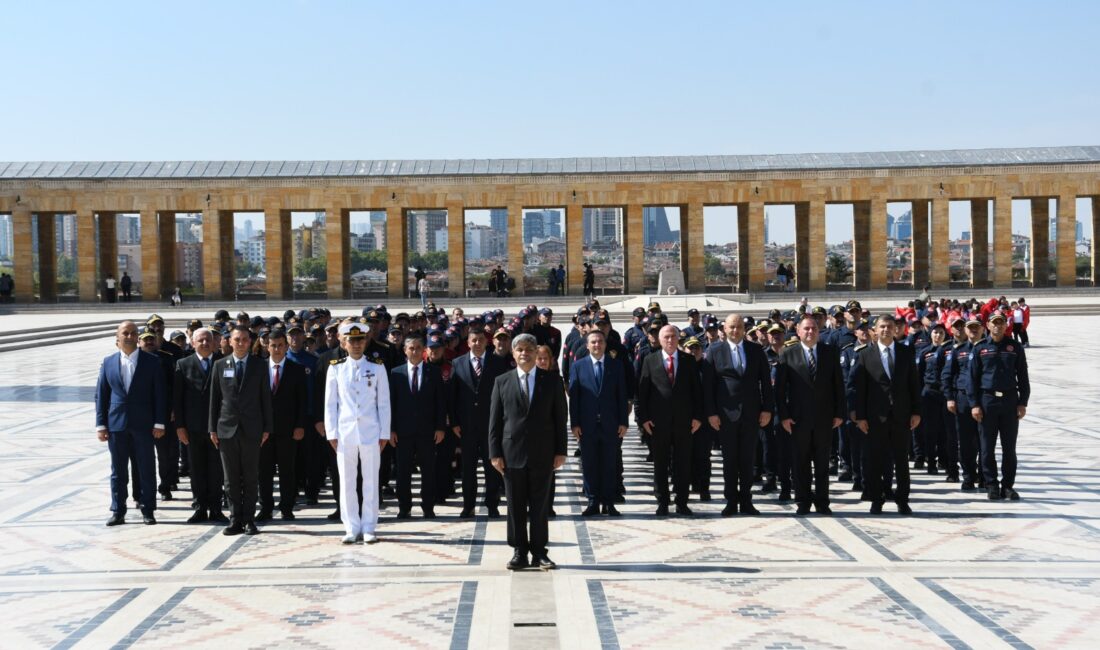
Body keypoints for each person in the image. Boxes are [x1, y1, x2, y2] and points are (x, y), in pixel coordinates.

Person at [489, 333, 568, 571]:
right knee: (515, 505)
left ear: (537, 354)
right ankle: (518, 550)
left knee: (540, 505)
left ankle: (539, 552)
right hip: (511, 453)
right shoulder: (502, 381)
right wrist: (495, 453)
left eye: (529, 349)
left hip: (543, 453)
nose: (525, 353)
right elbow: (495, 421)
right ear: (513, 354)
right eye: (520, 349)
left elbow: (559, 418)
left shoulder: (552, 381)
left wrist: (560, 451)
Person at [96, 321, 168, 526]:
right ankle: (118, 509)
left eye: (133, 333)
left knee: (146, 468)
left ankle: (148, 509)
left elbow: (159, 395)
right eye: (125, 333)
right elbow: (101, 395)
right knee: (118, 471)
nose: (129, 336)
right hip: (116, 425)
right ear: (117, 338)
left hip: (144, 424)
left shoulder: (151, 361)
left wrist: (160, 423)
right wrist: (100, 425)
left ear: (138, 337)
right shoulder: (108, 362)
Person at [326, 322, 391, 543]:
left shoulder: (377, 367)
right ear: (344, 343)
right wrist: (331, 432)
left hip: (371, 431)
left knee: (371, 480)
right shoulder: (335, 367)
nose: (356, 345)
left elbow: (383, 403)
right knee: (347, 481)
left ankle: (370, 526)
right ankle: (351, 527)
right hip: (345, 433)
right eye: (352, 341)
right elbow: (330, 404)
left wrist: (384, 432)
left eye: (360, 340)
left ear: (365, 342)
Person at [851, 315, 922, 514]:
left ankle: (902, 499)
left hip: (901, 415)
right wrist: (861, 417)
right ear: (875, 330)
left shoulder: (906, 352)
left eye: (890, 326)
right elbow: (860, 389)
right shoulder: (865, 354)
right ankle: (877, 498)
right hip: (875, 417)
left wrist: (916, 411)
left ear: (896, 329)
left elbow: (913, 384)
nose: (886, 330)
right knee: (876, 460)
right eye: (882, 326)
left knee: (901, 460)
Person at [705, 314, 775, 516]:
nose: (735, 331)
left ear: (744, 329)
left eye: (739, 327)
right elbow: (708, 386)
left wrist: (767, 409)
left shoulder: (755, 350)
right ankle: (730, 500)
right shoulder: (714, 350)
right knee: (729, 460)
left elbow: (765, 383)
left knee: (747, 459)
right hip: (725, 415)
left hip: (751, 414)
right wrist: (711, 413)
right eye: (731, 327)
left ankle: (746, 499)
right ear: (724, 329)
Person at [775, 314, 845, 515]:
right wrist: (784, 416)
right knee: (801, 463)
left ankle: (822, 502)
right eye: (805, 328)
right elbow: (780, 391)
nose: (810, 332)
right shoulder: (787, 353)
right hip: (798, 419)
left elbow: (838, 385)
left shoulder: (830, 352)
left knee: (822, 462)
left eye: (813, 328)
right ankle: (803, 502)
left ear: (819, 331)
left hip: (825, 418)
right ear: (797, 331)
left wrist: (840, 412)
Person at [209, 326, 273, 536]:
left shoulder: (260, 365)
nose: (241, 343)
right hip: (226, 429)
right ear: (230, 341)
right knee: (231, 478)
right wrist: (212, 428)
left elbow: (266, 399)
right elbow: (214, 399)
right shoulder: (220, 364)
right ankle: (235, 519)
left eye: (245, 339)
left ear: (250, 341)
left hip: (252, 429)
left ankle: (249, 519)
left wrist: (267, 427)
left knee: (251, 476)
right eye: (237, 339)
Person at [636, 325, 703, 516]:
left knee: (683, 463)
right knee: (660, 463)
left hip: (685, 422)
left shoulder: (688, 360)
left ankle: (682, 501)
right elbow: (642, 392)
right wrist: (644, 419)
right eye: (666, 337)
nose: (670, 340)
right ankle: (662, 501)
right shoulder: (650, 360)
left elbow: (697, 391)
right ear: (659, 339)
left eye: (673, 336)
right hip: (658, 423)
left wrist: (698, 417)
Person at [968, 312, 1030, 501]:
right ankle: (992, 484)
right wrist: (975, 404)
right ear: (987, 325)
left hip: (1010, 401)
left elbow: (1023, 377)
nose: (998, 326)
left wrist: (1023, 402)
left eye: (1001, 323)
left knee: (1009, 448)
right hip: (987, 401)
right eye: (994, 323)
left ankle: (1008, 486)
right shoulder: (980, 348)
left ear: (1006, 325)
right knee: (987, 447)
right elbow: (972, 379)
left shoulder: (1015, 347)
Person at [569, 330, 629, 517]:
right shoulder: (578, 366)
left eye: (600, 342)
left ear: (605, 344)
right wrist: (575, 423)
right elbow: (574, 398)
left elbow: (622, 395)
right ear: (587, 345)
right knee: (590, 464)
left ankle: (609, 502)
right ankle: (593, 501)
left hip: (611, 424)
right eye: (593, 342)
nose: (597, 345)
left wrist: (623, 422)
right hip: (587, 425)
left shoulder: (616, 365)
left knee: (610, 464)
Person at [451, 328, 510, 518]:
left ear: (487, 342)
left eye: (480, 340)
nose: (477, 343)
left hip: (490, 425)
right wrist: (454, 422)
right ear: (467, 343)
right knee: (467, 469)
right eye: (473, 340)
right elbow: (452, 395)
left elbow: (504, 396)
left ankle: (492, 504)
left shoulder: (498, 363)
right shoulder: (457, 363)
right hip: (466, 426)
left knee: (491, 467)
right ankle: (468, 505)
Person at [389, 336, 447, 518]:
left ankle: (428, 506)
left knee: (428, 470)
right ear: (405, 350)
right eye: (411, 348)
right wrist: (390, 429)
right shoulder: (395, 373)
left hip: (427, 431)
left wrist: (440, 427)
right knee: (403, 471)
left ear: (423, 350)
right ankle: (404, 506)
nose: (414, 351)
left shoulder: (434, 372)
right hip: (403, 431)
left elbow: (440, 402)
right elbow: (390, 403)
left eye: (418, 348)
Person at [172, 327, 226, 523]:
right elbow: (177, 399)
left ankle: (216, 509)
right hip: (193, 428)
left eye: (208, 340)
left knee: (216, 470)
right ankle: (200, 507)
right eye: (200, 340)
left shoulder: (223, 363)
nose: (204, 343)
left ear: (214, 343)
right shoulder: (183, 364)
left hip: (217, 428)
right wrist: (179, 427)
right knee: (196, 469)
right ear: (192, 343)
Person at [257, 329, 309, 522]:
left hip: (288, 430)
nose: (277, 349)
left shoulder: (296, 369)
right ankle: (265, 507)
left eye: (280, 345)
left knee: (288, 471)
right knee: (264, 471)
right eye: (273, 345)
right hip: (264, 431)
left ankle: (287, 507)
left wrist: (300, 425)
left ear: (286, 346)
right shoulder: (258, 369)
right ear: (267, 346)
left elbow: (302, 401)